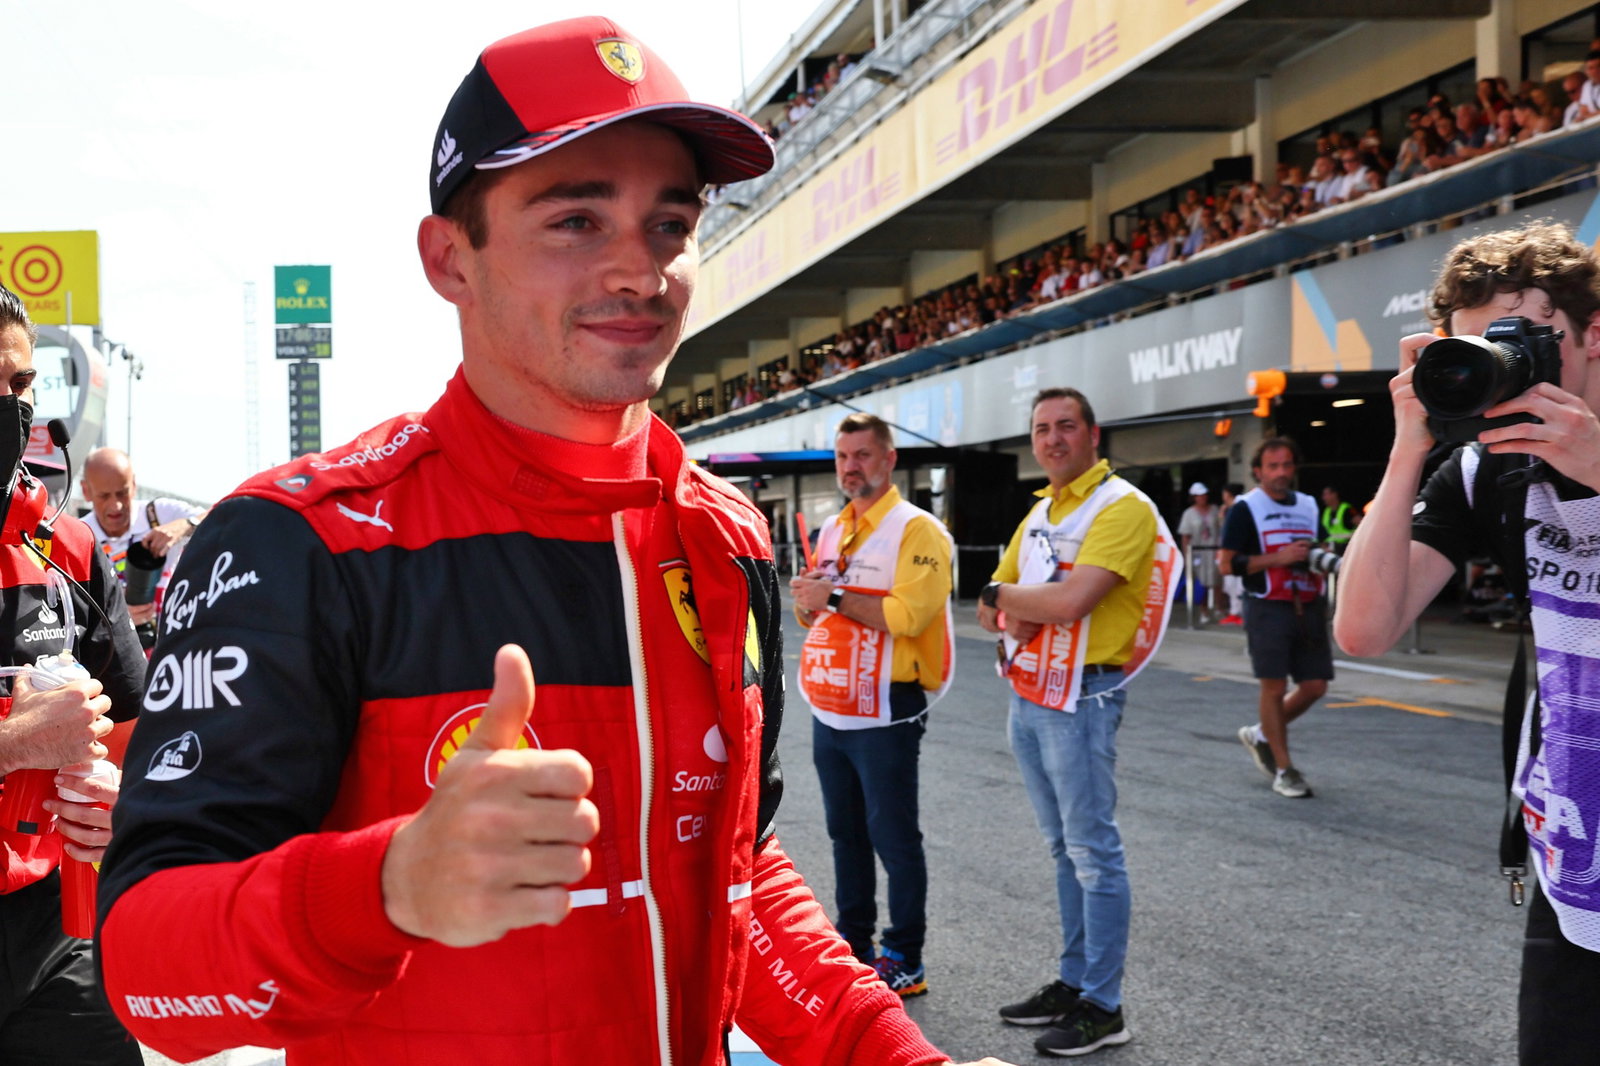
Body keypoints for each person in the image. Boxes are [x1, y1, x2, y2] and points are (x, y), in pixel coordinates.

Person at [95, 19, 1012, 1066]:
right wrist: (388, 887)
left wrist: (892, 1054)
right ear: (450, 258)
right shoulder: (296, 540)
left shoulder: (728, 536)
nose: (640, 271)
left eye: (670, 224)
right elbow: (144, 968)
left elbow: (737, 879)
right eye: (576, 219)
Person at [1334, 221, 1600, 1065]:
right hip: (1577, 871)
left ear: (1594, 335)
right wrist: (1410, 447)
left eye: (1527, 340)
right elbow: (1363, 627)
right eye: (1481, 348)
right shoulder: (1493, 466)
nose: (1503, 365)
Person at [977, 388, 1179, 1058]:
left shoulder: (1122, 508)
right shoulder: (1041, 511)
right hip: (1030, 694)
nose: (1053, 439)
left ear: (1095, 435)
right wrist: (1013, 602)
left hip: (1083, 699)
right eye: (1041, 429)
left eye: (1067, 426)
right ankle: (1072, 982)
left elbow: (1066, 600)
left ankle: (1104, 1004)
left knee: (1093, 853)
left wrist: (1011, 599)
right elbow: (994, 607)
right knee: (1065, 851)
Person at [0, 284, 147, 1064]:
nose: (9, 406)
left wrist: (118, 796)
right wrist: (14, 742)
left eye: (20, 385)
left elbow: (140, 724)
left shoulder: (68, 549)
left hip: (58, 926)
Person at [789, 414, 953, 997]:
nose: (851, 466)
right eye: (843, 457)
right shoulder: (834, 527)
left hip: (886, 708)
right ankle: (853, 946)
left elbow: (909, 616)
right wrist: (810, 598)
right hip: (832, 707)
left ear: (889, 461)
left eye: (862, 455)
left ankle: (905, 956)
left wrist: (830, 595)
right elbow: (818, 613)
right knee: (844, 833)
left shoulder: (917, 530)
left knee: (894, 836)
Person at [1218, 438, 1332, 799]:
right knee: (1274, 687)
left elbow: (1323, 546)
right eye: (1272, 466)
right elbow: (1227, 563)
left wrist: (1317, 554)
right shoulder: (1245, 508)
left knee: (1315, 686)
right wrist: (1278, 559)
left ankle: (1261, 733)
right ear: (1258, 471)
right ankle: (1284, 769)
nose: (1280, 473)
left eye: (1286, 465)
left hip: (1308, 601)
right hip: (1268, 604)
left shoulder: (1310, 506)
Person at [78, 447, 208, 650]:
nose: (116, 506)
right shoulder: (79, 535)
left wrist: (185, 525)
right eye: (104, 496)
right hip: (116, 654)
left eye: (123, 493)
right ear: (86, 491)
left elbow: (223, 515)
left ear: (134, 484)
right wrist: (116, 616)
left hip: (172, 646)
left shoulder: (159, 514)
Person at [1176, 482, 1221, 620]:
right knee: (1201, 582)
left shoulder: (1215, 509)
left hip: (1214, 550)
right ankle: (1204, 610)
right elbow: (1185, 536)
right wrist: (1186, 555)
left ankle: (1219, 608)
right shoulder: (1189, 513)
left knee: (1217, 580)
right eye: (1199, 496)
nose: (1202, 498)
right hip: (1198, 552)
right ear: (1194, 497)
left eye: (1204, 495)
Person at [1218, 482, 1247, 624]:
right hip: (1232, 552)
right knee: (1231, 585)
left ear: (1227, 494)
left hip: (1238, 553)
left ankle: (1241, 613)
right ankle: (1235, 612)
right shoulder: (1230, 509)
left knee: (1239, 585)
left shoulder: (1239, 507)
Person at [1319, 485, 1359, 553]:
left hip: (1346, 548)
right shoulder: (1326, 512)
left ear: (1334, 495)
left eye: (1325, 494)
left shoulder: (1347, 509)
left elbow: (1361, 523)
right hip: (1331, 550)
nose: (1323, 498)